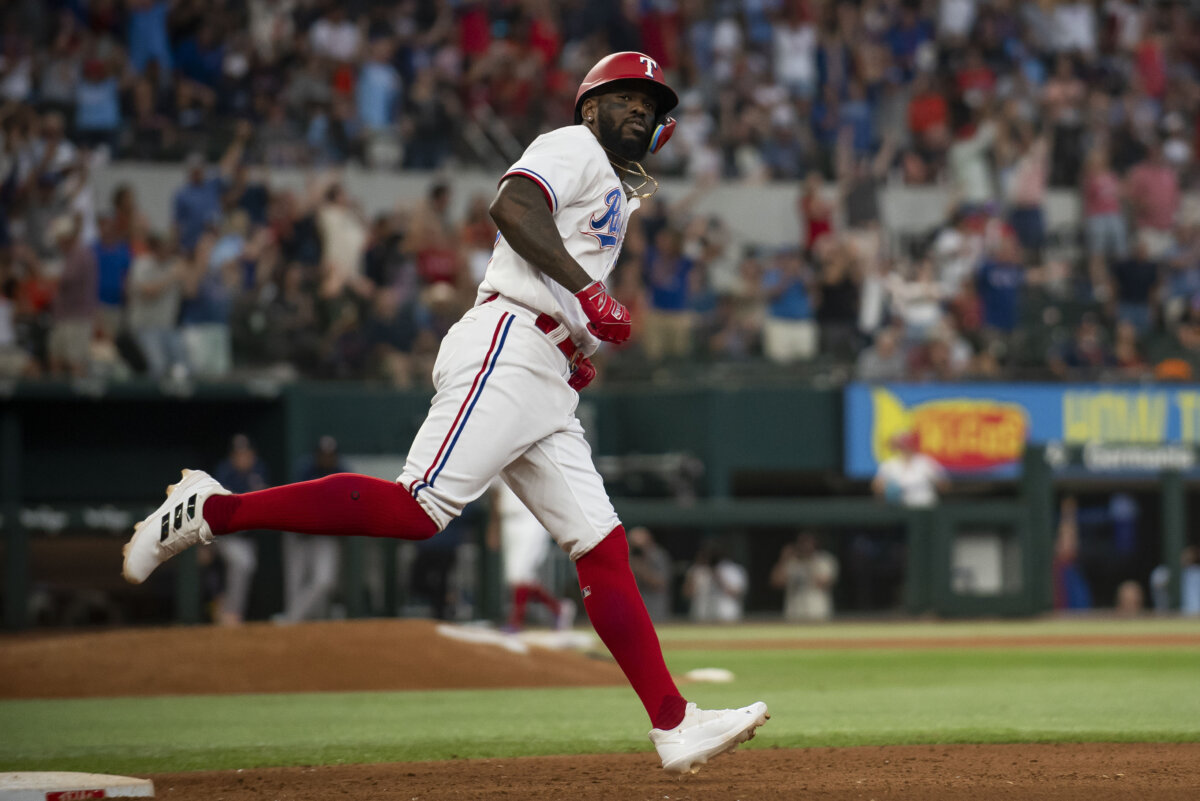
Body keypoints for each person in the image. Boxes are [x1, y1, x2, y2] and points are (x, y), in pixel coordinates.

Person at [121, 52, 767, 774]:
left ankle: (674, 723)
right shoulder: (573, 144)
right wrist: (586, 296)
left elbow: (551, 260)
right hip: (509, 343)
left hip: (544, 368)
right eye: (625, 96)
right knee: (416, 508)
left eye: (651, 102)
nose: (640, 108)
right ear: (589, 106)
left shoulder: (611, 185)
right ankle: (214, 509)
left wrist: (575, 340)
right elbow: (512, 206)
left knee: (602, 546)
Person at [487, 480, 576, 632]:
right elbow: (495, 494)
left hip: (530, 518)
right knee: (516, 577)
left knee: (519, 575)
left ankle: (516, 622)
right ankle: (558, 608)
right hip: (507, 520)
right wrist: (494, 526)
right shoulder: (495, 461)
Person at [277, 436, 346, 624]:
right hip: (297, 533)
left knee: (324, 581)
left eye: (330, 455)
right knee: (294, 585)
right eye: (323, 455)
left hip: (324, 535)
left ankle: (291, 619)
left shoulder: (343, 473)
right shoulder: (305, 469)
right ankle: (294, 627)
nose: (327, 459)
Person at [211, 434, 269, 626]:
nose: (243, 458)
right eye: (238, 454)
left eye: (246, 453)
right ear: (232, 456)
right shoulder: (224, 471)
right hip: (222, 534)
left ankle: (229, 611)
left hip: (246, 536)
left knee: (245, 565)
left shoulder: (258, 470)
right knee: (242, 563)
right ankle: (231, 613)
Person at [770, 532, 838, 622]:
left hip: (818, 613)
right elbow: (776, 582)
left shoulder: (824, 560)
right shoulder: (791, 561)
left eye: (808, 542)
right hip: (794, 614)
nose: (805, 546)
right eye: (802, 543)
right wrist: (783, 559)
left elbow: (823, 583)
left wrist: (810, 561)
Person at [871, 431, 949, 509]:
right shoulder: (890, 465)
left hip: (925, 507)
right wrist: (889, 489)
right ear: (898, 447)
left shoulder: (926, 462)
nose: (906, 448)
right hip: (901, 509)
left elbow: (944, 486)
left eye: (909, 444)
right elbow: (876, 487)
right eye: (903, 445)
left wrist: (937, 483)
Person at [682, 545, 748, 623]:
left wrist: (718, 576)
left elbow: (737, 593)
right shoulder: (696, 570)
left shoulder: (732, 569)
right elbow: (686, 594)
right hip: (701, 615)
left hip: (726, 615)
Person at [627, 526, 672, 622]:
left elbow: (661, 583)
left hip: (654, 610)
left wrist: (641, 568)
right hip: (631, 610)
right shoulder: (626, 557)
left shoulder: (658, 556)